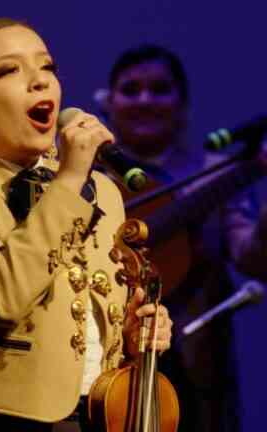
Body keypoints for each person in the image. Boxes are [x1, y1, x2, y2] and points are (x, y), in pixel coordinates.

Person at [0, 18, 173, 431]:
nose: (39, 82)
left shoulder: (100, 188)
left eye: (46, 67)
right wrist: (69, 180)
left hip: (100, 415)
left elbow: (90, 316)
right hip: (2, 421)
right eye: (9, 71)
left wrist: (136, 333)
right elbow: (0, 297)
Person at [100, 44, 242, 432]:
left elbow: (252, 258)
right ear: (108, 102)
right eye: (130, 90)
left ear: (183, 103)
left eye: (160, 89)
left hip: (199, 367)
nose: (145, 100)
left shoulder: (216, 172)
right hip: (109, 373)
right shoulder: (88, 180)